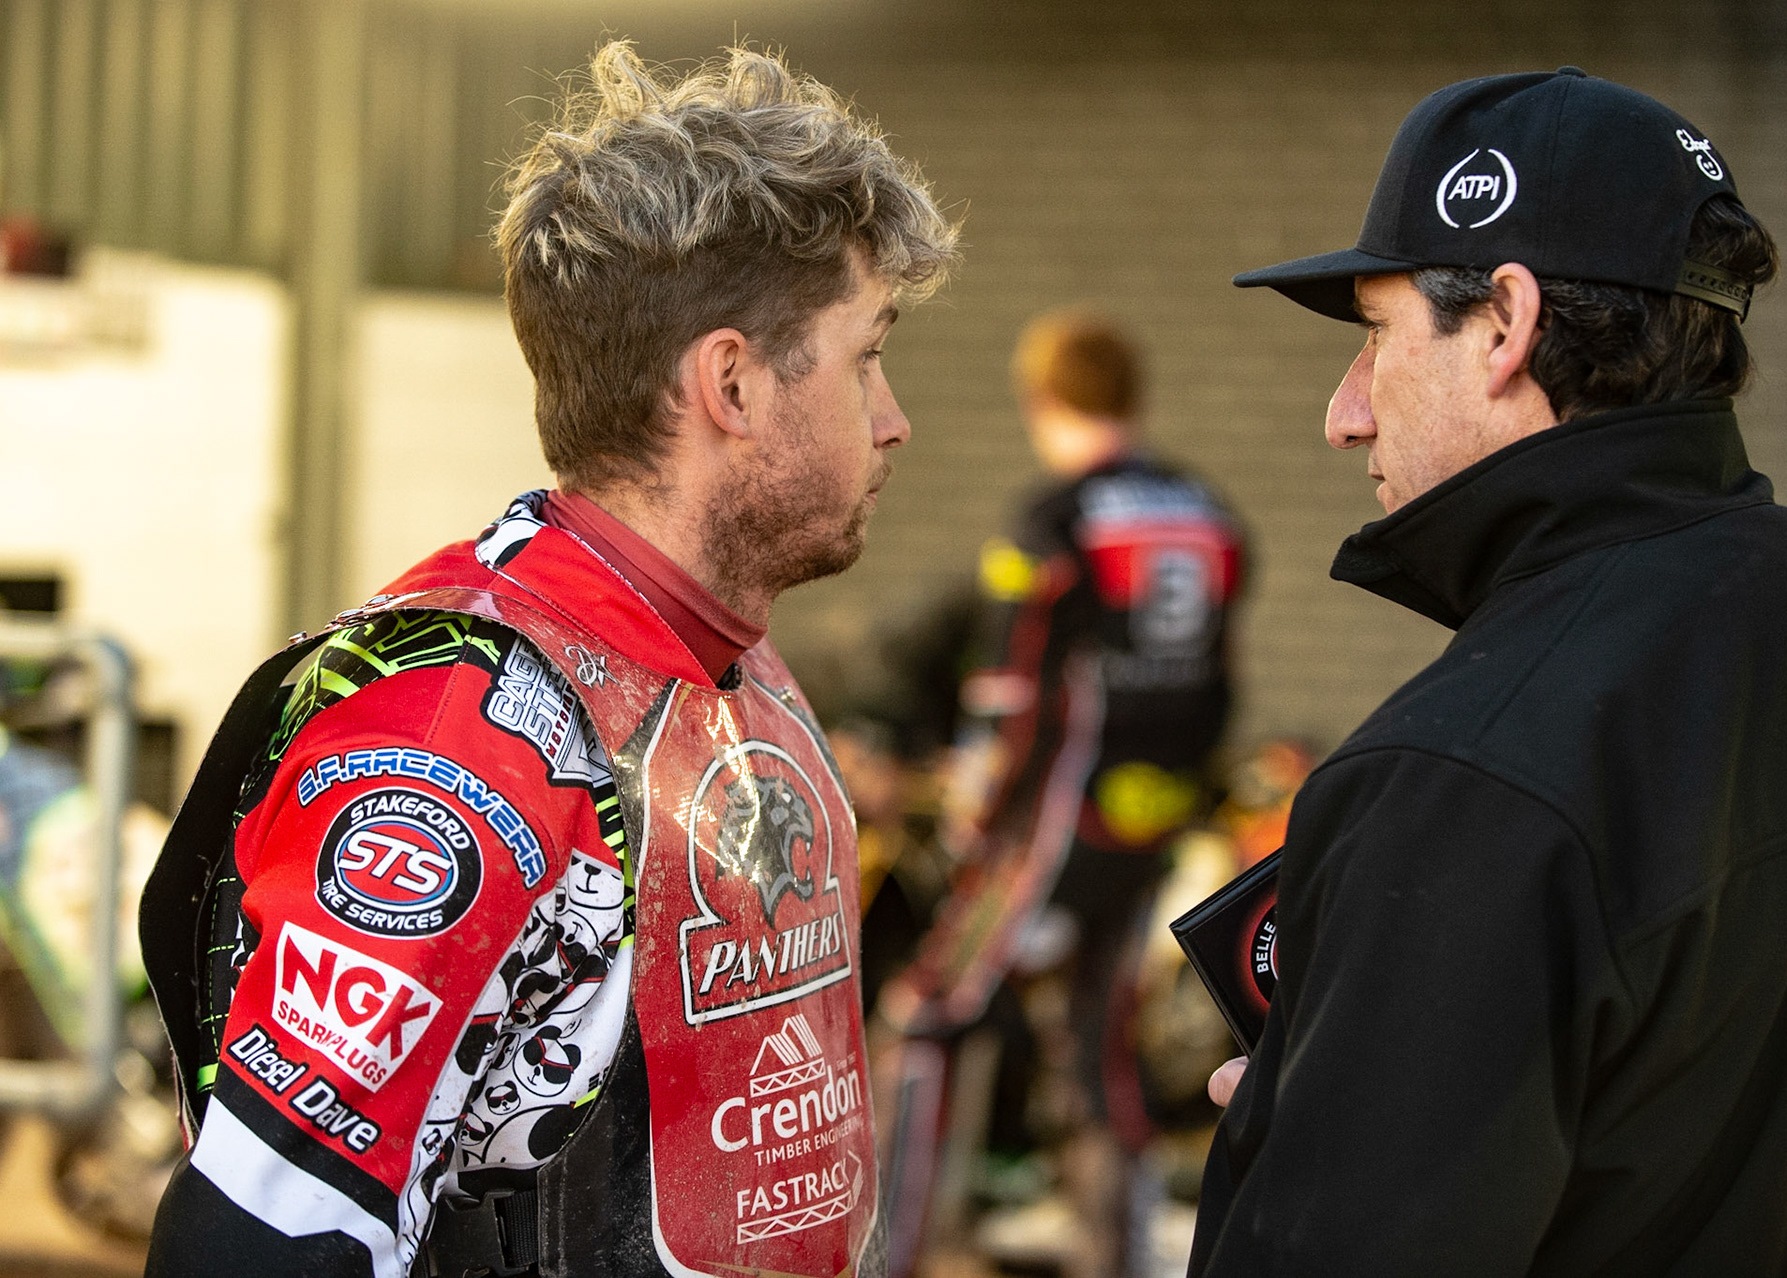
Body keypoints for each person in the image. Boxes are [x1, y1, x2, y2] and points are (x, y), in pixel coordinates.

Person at [138, 43, 957, 1278]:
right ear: (730, 382)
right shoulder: (459, 734)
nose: (893, 418)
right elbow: (257, 1241)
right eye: (868, 356)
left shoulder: (724, 663)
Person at [1192, 67, 1787, 1275]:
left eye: (1376, 336)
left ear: (1505, 323)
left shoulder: (1459, 774)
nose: (1344, 412)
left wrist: (1296, 1140)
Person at [881, 311, 1245, 1277]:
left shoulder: (1056, 520)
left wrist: (971, 818)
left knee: (927, 1012)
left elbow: (1011, 692)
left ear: (1045, 401)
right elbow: (1220, 685)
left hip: (1047, 827)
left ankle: (889, 1254)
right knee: (1101, 1046)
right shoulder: (1209, 513)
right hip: (1145, 827)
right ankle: (1116, 1261)